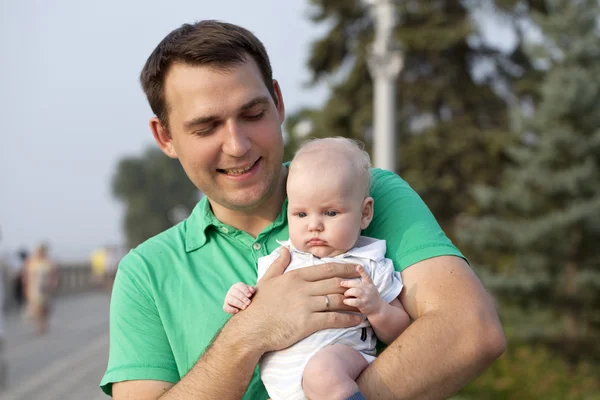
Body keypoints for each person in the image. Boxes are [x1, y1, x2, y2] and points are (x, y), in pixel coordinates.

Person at [101, 20, 505, 400]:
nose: (237, 145)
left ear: (278, 103)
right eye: (206, 127)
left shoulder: (370, 192)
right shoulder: (145, 274)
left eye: (253, 114)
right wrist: (250, 332)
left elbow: (472, 331)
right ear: (165, 137)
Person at [223, 137, 411, 400]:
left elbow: (401, 330)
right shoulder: (281, 259)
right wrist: (239, 295)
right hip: (282, 390)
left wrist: (378, 308)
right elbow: (255, 310)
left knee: (322, 375)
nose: (314, 225)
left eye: (330, 213)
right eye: (301, 214)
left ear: (365, 213)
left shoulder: (368, 264)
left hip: (339, 360)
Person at [23, 243, 58, 335]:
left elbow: (54, 274)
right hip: (34, 287)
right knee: (37, 308)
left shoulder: (49, 261)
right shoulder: (31, 261)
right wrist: (26, 287)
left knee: (46, 307)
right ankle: (39, 326)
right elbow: (26, 275)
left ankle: (45, 322)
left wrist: (53, 284)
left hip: (46, 287)